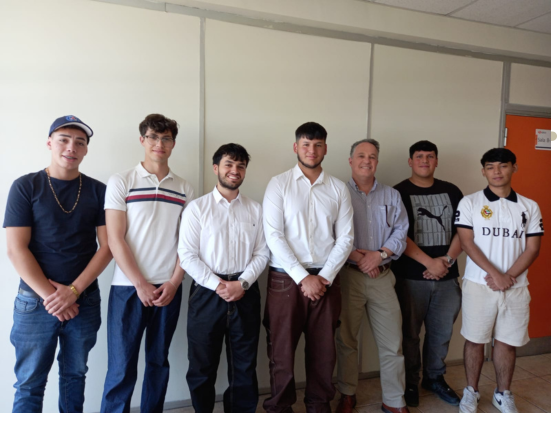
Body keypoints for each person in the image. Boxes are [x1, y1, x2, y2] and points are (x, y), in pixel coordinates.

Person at [4, 115, 112, 413]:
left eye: (80, 142)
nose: (71, 147)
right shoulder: (26, 186)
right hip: (35, 302)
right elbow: (15, 249)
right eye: (63, 140)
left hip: (84, 300)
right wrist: (54, 298)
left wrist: (73, 292)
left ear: (86, 150)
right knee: (29, 383)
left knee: (75, 376)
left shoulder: (99, 190)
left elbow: (108, 247)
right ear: (49, 143)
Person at [100, 114, 194, 413]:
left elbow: (188, 244)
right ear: (142, 140)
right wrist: (140, 283)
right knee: (121, 366)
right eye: (153, 137)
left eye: (166, 138)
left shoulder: (185, 188)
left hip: (168, 288)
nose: (159, 144)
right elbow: (115, 238)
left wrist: (175, 281)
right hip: (127, 288)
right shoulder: (122, 181)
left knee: (158, 362)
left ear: (173, 144)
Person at [262, 122, 354, 413]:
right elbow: (273, 235)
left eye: (317, 145)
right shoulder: (279, 184)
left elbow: (346, 238)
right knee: (281, 351)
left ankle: (318, 407)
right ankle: (280, 409)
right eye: (305, 144)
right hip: (286, 279)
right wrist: (304, 277)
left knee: (324, 351)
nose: (311, 150)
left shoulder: (338, 188)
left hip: (327, 279)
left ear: (325, 148)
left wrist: (323, 277)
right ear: (296, 147)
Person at [179, 143, 269, 413]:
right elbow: (187, 256)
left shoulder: (256, 209)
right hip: (206, 293)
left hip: (245, 291)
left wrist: (242, 284)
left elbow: (262, 252)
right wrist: (219, 285)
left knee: (244, 366)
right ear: (216, 168)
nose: (235, 170)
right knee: (201, 365)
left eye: (241, 166)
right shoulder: (197, 208)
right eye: (229, 164)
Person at [455, 148, 543, 414]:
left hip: (515, 288)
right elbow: (467, 243)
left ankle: (503, 393)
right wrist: (496, 275)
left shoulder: (529, 206)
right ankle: (471, 391)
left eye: (503, 166)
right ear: (483, 171)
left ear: (514, 168)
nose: (497, 171)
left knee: (507, 341)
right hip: (479, 285)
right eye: (490, 167)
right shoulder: (470, 203)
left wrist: (509, 277)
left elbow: (533, 248)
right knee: (475, 340)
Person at [335, 139, 409, 414]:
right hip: (348, 276)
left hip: (383, 277)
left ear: (377, 161)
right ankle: (347, 393)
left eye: (372, 156)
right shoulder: (337, 192)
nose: (367, 161)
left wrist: (379, 254)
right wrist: (362, 259)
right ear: (350, 160)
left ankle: (394, 399)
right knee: (346, 340)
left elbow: (401, 231)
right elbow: (330, 234)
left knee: (393, 342)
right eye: (361, 155)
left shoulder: (392, 195)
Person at [392, 140, 463, 408]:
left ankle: (434, 378)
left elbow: (464, 231)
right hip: (410, 278)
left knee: (441, 332)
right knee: (409, 334)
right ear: (410, 161)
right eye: (419, 156)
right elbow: (398, 233)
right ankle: (411, 381)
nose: (424, 160)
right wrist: (428, 263)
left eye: (430, 156)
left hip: (447, 277)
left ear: (436, 161)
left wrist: (446, 260)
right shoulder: (398, 192)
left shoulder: (452, 191)